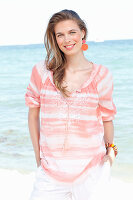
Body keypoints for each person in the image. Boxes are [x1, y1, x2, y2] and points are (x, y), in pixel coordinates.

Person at [25, 9, 118, 200]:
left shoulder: (101, 75)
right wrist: (38, 157)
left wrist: (110, 154)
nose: (67, 39)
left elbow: (107, 119)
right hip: (50, 174)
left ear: (82, 32)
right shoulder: (42, 72)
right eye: (60, 35)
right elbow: (33, 115)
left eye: (72, 32)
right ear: (55, 39)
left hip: (92, 171)